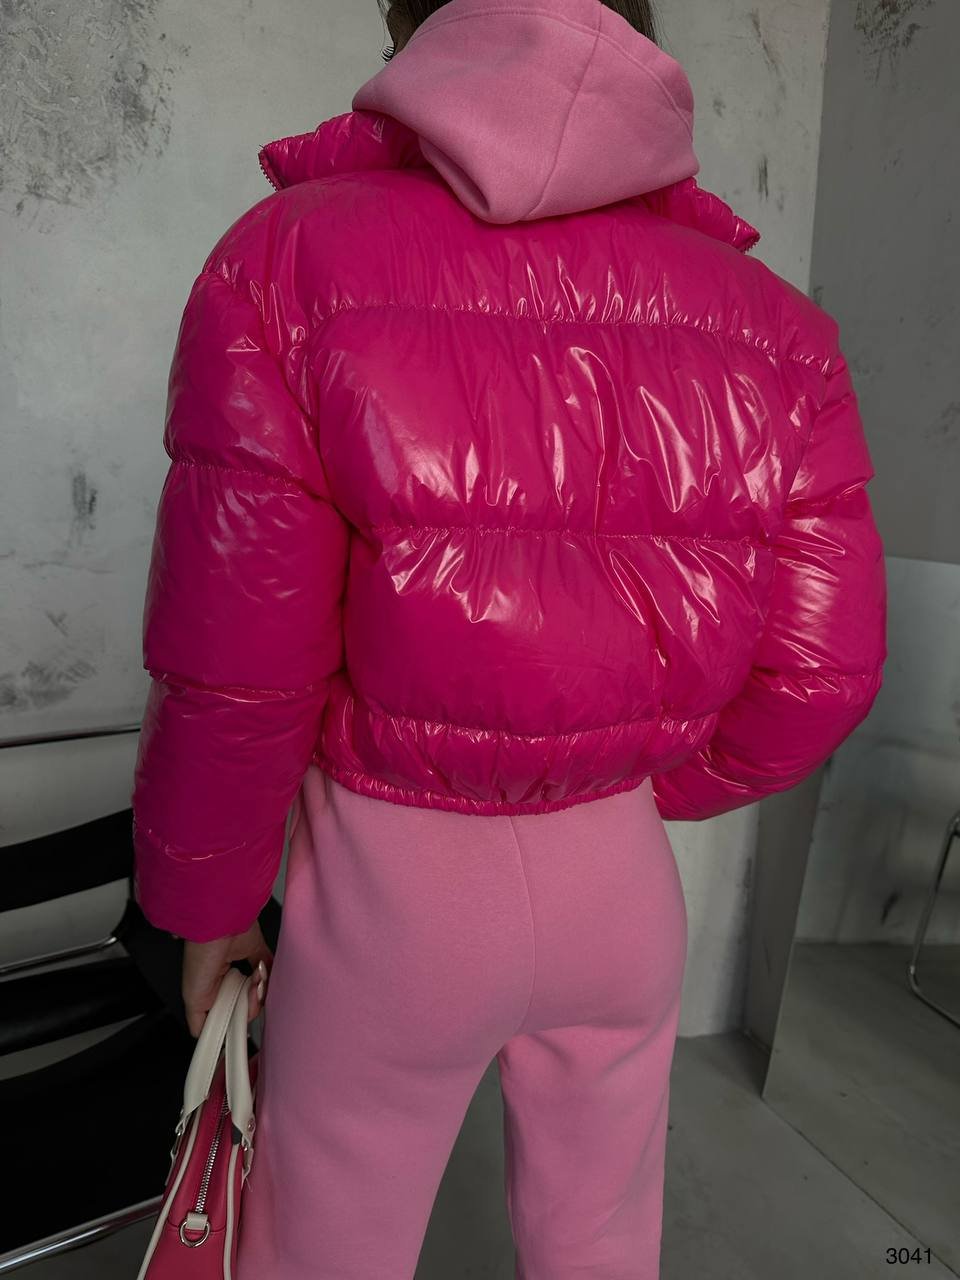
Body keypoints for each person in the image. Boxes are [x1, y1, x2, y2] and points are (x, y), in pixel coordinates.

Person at [130, 0, 887, 1275]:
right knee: (601, 1242)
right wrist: (629, 785)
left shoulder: (285, 265)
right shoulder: (775, 327)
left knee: (325, 1248)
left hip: (391, 899)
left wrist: (207, 907)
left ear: (410, 17)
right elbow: (823, 671)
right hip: (622, 882)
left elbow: (236, 659)